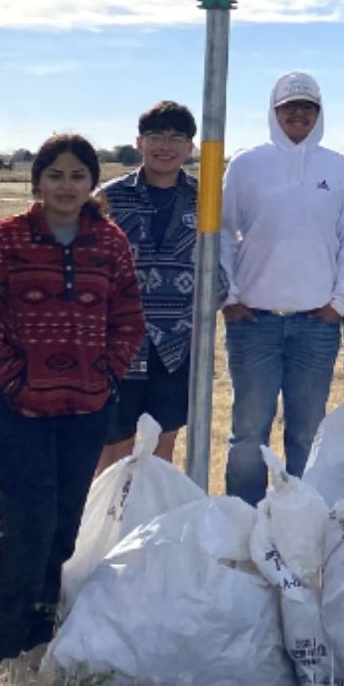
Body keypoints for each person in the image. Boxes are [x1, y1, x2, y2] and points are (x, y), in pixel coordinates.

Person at [0, 134, 145, 684]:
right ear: (37, 180)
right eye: (55, 175)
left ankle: (40, 638)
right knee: (28, 525)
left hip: (84, 408)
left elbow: (128, 319)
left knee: (63, 529)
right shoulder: (6, 237)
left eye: (78, 176)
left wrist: (105, 375)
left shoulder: (109, 242)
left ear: (93, 183)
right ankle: (1, 648)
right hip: (14, 408)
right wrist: (17, 380)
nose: (66, 186)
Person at [220, 72, 344, 501]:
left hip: (316, 328)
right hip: (253, 324)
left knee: (307, 434)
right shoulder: (246, 164)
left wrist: (340, 302)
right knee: (248, 434)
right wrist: (228, 298)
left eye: (308, 108)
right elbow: (223, 233)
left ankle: (300, 523)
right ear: (273, 111)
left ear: (319, 113)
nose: (299, 115)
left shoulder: (336, 167)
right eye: (289, 108)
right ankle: (241, 522)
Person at [97, 100, 218, 474]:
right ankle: (106, 528)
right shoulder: (109, 198)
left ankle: (151, 526)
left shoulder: (208, 199)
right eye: (156, 137)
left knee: (161, 450)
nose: (165, 146)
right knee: (115, 446)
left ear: (190, 148)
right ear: (139, 142)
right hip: (118, 341)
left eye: (176, 138)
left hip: (178, 345)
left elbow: (221, 262)